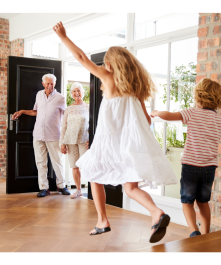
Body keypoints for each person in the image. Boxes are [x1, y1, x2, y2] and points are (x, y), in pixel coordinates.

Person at [54, 22, 176, 243]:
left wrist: (63, 37)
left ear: (109, 64)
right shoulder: (136, 91)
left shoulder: (108, 79)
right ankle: (156, 212)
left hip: (108, 142)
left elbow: (82, 58)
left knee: (91, 174)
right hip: (129, 145)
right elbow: (147, 121)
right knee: (130, 188)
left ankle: (103, 221)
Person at [152, 78, 221, 237]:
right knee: (203, 203)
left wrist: (156, 113)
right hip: (209, 169)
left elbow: (168, 115)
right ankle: (206, 234)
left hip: (190, 166)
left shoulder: (192, 113)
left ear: (199, 97)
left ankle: (194, 231)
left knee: (187, 202)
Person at [12, 74, 71, 197]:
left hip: (54, 135)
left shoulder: (61, 98)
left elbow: (66, 117)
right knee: (40, 162)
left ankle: (61, 186)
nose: (50, 86)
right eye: (47, 83)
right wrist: (22, 111)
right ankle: (44, 188)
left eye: (52, 83)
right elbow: (36, 112)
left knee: (57, 161)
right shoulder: (39, 95)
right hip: (38, 134)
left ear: (55, 83)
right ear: (43, 83)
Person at [59, 83, 90, 199]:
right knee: (74, 166)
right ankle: (78, 190)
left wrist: (91, 139)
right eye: (74, 91)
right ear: (71, 94)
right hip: (71, 141)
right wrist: (62, 143)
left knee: (87, 165)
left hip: (84, 140)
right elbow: (63, 127)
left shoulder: (88, 107)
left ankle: (93, 191)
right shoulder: (69, 109)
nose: (77, 93)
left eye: (79, 90)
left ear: (83, 92)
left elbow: (93, 125)